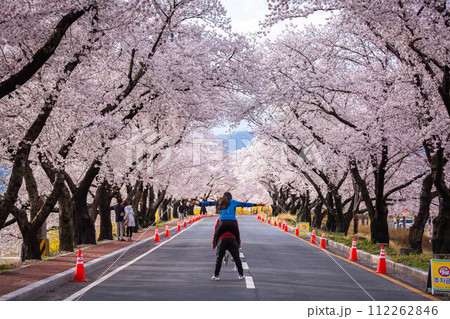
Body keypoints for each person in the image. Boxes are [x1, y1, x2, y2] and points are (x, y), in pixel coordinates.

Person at [191, 192, 264, 248]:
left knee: (217, 233)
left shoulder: (220, 202)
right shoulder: (234, 202)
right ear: (231, 197)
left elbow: (209, 203)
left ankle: (214, 245)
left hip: (222, 222)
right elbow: (245, 204)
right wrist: (257, 204)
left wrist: (198, 203)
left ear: (223, 196)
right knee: (237, 235)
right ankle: (238, 246)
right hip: (232, 222)